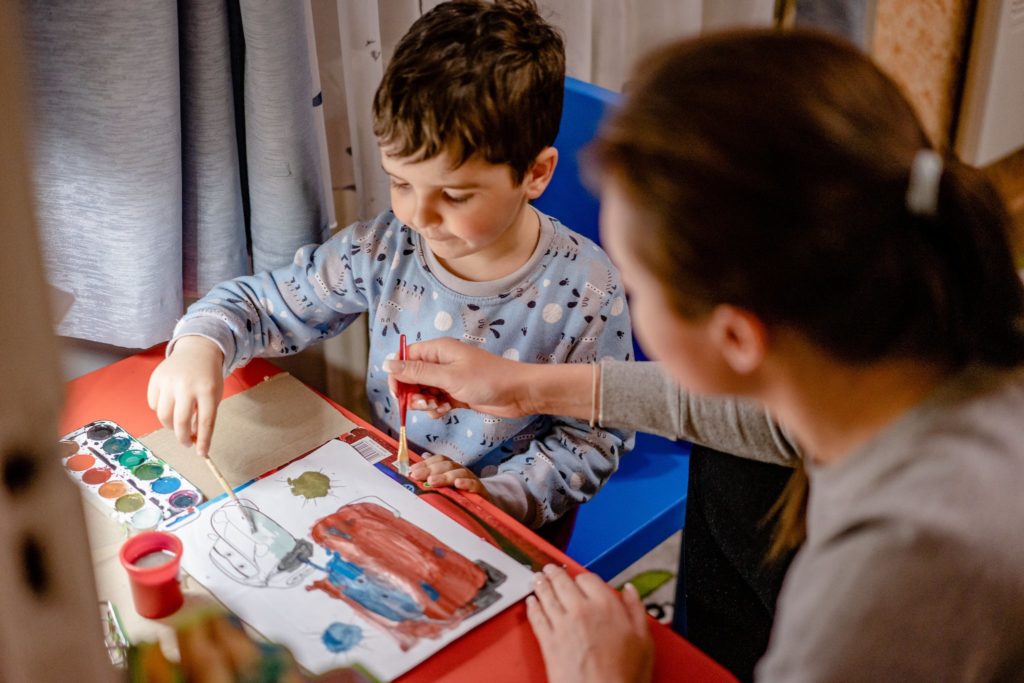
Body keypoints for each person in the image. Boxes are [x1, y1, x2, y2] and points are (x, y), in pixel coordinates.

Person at [384, 29, 1024, 682]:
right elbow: (758, 417)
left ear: (739, 337)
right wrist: (523, 386)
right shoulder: (914, 345)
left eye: (637, 287)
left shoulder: (882, 586)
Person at [146, 0, 633, 531]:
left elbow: (591, 441)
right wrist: (201, 346)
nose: (418, 216)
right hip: (391, 488)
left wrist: (494, 498)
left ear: (535, 174)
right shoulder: (384, 248)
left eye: (454, 194)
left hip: (509, 521)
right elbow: (262, 305)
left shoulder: (586, 289)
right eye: (401, 183)